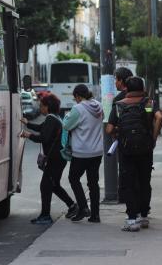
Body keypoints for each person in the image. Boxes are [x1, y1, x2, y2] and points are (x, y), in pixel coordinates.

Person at [106, 77, 162, 232]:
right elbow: (159, 117)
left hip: (126, 150)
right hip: (145, 148)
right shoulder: (149, 103)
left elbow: (109, 129)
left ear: (127, 89)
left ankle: (132, 219)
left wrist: (120, 131)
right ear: (142, 87)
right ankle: (144, 216)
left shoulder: (119, 105)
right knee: (145, 181)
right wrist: (154, 137)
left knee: (128, 184)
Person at [21, 94, 76, 225]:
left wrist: (28, 135)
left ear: (47, 106)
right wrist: (27, 123)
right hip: (58, 158)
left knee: (46, 185)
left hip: (55, 159)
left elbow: (44, 137)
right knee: (53, 185)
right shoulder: (54, 118)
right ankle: (73, 206)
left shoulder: (51, 119)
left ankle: (45, 215)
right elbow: (41, 128)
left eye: (42, 106)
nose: (40, 108)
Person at [63, 84, 104, 222]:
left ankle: (83, 207)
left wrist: (68, 115)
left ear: (78, 96)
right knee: (93, 183)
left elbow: (66, 125)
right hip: (97, 151)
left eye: (75, 98)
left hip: (81, 152)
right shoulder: (98, 105)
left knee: (73, 178)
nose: (75, 101)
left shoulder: (78, 108)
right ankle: (95, 215)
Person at [113, 67, 133, 203]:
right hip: (144, 143)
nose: (115, 83)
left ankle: (129, 208)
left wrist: (115, 133)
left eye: (116, 79)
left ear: (121, 81)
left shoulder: (118, 99)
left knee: (126, 173)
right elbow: (158, 117)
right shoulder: (144, 97)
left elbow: (110, 128)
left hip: (125, 143)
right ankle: (143, 210)